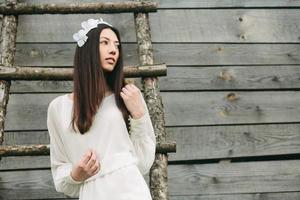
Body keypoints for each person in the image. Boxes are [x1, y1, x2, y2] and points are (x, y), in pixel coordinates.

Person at [46, 18, 156, 200]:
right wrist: (76, 175)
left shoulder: (127, 98)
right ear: (87, 50)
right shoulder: (58, 108)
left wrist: (139, 115)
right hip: (92, 192)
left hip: (131, 189)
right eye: (105, 43)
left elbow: (143, 162)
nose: (113, 50)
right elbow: (59, 168)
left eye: (117, 45)